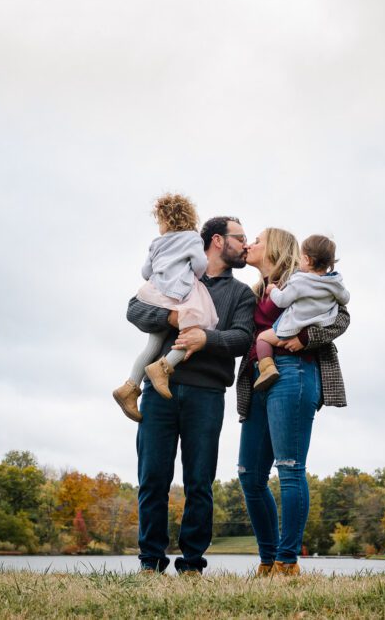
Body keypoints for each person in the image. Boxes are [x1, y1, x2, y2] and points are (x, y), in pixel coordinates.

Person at [126, 216, 256, 575]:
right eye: (240, 237)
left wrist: (205, 338)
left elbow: (243, 338)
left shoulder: (240, 294)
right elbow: (133, 309)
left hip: (207, 394)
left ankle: (192, 564)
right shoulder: (177, 273)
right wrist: (173, 318)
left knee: (199, 481)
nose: (246, 244)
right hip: (158, 392)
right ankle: (150, 561)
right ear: (217, 240)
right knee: (152, 478)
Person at [236, 228, 351, 576]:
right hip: (258, 376)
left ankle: (288, 561)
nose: (249, 244)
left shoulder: (301, 280)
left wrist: (305, 337)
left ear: (275, 248)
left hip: (294, 372)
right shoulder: (255, 293)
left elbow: (343, 317)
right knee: (249, 475)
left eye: (257, 239)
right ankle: (268, 559)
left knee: (289, 467)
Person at [112, 194, 219, 422]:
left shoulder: (156, 243)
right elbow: (200, 265)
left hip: (156, 294)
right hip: (181, 293)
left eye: (159, 220)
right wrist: (191, 271)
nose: (159, 225)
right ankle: (164, 366)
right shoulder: (192, 238)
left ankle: (129, 387)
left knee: (152, 344)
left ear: (168, 220)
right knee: (196, 329)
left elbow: (145, 272)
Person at [252, 234, 350, 392]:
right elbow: (345, 298)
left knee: (262, 338)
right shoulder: (334, 283)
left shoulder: (298, 281)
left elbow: (282, 301)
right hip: (315, 326)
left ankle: (267, 368)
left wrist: (273, 291)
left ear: (307, 260)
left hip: (292, 338)